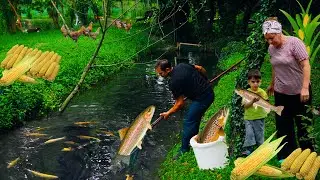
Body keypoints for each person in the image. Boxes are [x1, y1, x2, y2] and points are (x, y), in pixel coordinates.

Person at [262, 17, 313, 161]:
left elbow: (306, 65)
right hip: (281, 92)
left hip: (299, 92)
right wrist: (272, 83)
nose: (270, 42)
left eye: (271, 38)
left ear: (279, 32)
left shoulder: (294, 43)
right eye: (267, 39)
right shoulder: (271, 48)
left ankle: (308, 156)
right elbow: (274, 65)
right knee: (283, 124)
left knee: (303, 124)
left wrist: (305, 88)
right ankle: (286, 155)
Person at [155, 59, 214, 159]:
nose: (160, 76)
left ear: (168, 69)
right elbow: (200, 68)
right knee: (194, 118)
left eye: (161, 73)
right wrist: (206, 80)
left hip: (203, 98)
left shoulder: (174, 82)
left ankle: (184, 150)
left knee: (189, 122)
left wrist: (168, 113)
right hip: (207, 91)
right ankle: (194, 140)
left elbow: (180, 103)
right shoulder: (182, 65)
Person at [241, 69, 268, 156]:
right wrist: (252, 101)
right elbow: (245, 106)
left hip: (259, 116)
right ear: (249, 82)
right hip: (248, 117)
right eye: (253, 82)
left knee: (259, 133)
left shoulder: (262, 92)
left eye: (258, 81)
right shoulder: (246, 93)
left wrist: (264, 104)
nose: (255, 84)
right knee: (249, 134)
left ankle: (261, 149)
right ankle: (249, 150)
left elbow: (266, 102)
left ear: (260, 81)